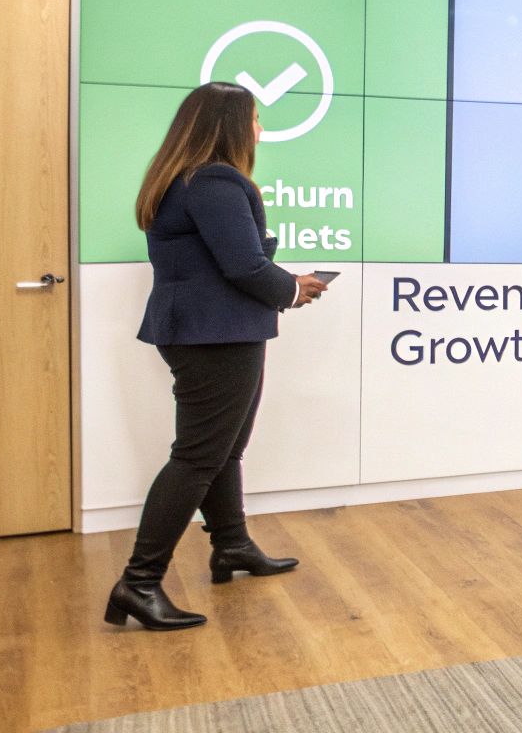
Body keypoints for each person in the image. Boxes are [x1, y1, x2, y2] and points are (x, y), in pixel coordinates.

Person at [103, 82, 329, 631]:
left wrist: (284, 285)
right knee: (198, 458)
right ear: (230, 125)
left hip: (211, 330)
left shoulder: (187, 178)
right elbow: (245, 266)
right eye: (254, 118)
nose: (259, 129)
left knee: (224, 451)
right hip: (216, 335)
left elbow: (232, 262)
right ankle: (138, 582)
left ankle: (231, 546)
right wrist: (295, 289)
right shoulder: (217, 181)